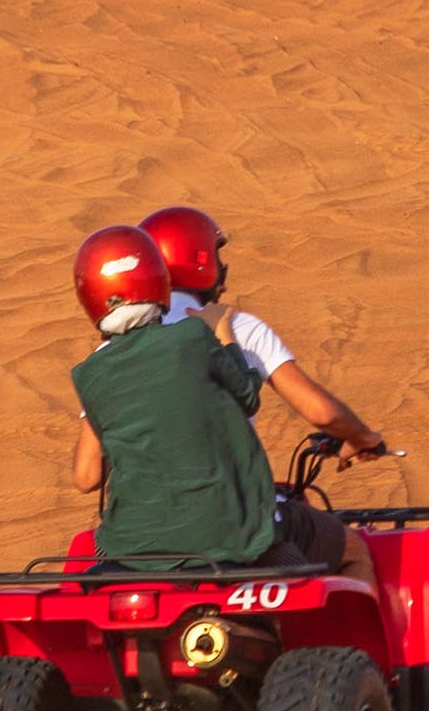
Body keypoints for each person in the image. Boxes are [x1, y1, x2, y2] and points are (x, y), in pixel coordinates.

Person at [71, 224, 370, 576]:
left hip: (132, 546)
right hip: (233, 531)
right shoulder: (202, 331)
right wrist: (224, 335)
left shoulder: (92, 370)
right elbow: (287, 405)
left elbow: (87, 476)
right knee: (353, 551)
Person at [138, 205, 391, 454]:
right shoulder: (239, 327)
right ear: (199, 260)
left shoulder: (121, 340)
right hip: (227, 480)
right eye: (217, 259)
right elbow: (323, 414)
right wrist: (362, 438)